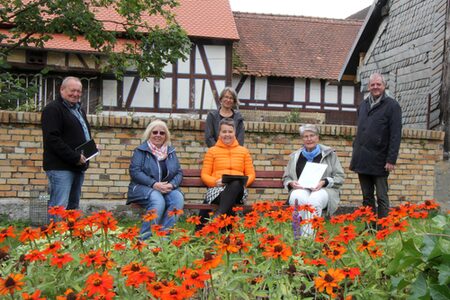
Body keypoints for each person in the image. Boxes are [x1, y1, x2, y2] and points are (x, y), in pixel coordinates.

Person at [350, 73, 402, 226]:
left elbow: (395, 135)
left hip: (380, 159)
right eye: (372, 84)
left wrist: (391, 159)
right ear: (368, 87)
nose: (375, 87)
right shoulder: (364, 105)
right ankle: (369, 227)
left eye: (378, 84)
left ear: (384, 86)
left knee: (381, 196)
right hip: (362, 159)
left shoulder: (392, 106)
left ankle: (383, 229)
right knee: (366, 197)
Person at [282, 124, 345, 236]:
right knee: (297, 198)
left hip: (324, 190)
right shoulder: (295, 156)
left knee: (314, 200)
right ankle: (297, 235)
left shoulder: (330, 154)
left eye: (312, 135)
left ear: (317, 137)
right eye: (305, 136)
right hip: (302, 189)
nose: (309, 139)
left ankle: (308, 239)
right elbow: (286, 177)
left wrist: (324, 182)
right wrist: (291, 183)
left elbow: (340, 177)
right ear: (302, 139)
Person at [42, 76, 92, 215]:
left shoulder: (79, 110)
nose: (76, 94)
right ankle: (55, 235)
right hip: (60, 167)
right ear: (62, 90)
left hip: (78, 166)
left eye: (79, 91)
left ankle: (69, 236)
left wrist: (91, 147)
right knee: (59, 208)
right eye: (72, 90)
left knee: (72, 208)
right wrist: (75, 157)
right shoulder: (52, 109)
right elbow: (52, 139)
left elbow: (79, 135)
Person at [127, 120, 184, 239]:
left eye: (162, 133)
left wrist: (172, 185)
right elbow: (135, 172)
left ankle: (163, 237)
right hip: (143, 187)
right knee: (158, 200)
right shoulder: (141, 151)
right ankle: (145, 238)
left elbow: (178, 172)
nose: (158, 135)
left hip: (165, 188)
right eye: (155, 132)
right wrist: (154, 184)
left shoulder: (171, 152)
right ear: (149, 134)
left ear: (166, 136)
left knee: (177, 198)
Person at [197, 117, 255, 229]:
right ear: (219, 133)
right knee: (229, 199)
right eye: (224, 131)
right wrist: (215, 182)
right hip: (217, 190)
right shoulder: (212, 151)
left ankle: (216, 217)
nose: (227, 134)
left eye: (230, 131)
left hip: (238, 190)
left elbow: (251, 174)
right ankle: (226, 230)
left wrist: (243, 183)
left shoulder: (243, 151)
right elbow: (204, 175)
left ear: (235, 133)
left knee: (236, 183)